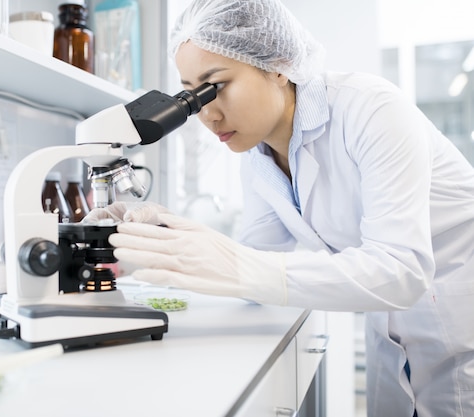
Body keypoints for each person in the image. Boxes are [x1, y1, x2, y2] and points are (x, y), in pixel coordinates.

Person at [84, 1, 474, 415]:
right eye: (191, 96)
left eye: (215, 86)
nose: (208, 114)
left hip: (458, 319)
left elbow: (402, 270)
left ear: (279, 64)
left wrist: (234, 265)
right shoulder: (258, 156)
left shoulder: (371, 109)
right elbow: (258, 260)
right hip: (393, 329)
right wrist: (162, 236)